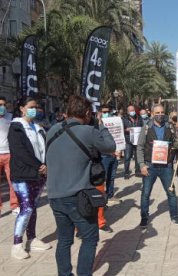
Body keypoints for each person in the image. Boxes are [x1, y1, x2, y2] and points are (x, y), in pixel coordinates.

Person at [46, 95, 116, 276]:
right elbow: (110, 146)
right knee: (90, 238)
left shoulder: (52, 130)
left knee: (64, 240)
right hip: (78, 197)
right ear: (87, 113)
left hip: (54, 195)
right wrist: (100, 124)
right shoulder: (88, 131)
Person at [8, 97, 51, 259]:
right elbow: (20, 151)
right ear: (22, 108)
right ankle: (17, 244)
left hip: (39, 174)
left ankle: (32, 238)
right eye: (31, 107)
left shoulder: (38, 127)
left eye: (37, 106)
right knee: (26, 208)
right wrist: (38, 165)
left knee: (32, 206)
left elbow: (45, 147)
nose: (35, 109)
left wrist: (46, 164)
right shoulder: (16, 127)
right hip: (22, 175)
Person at [137, 104, 178, 228]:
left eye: (162, 112)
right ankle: (144, 218)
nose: (160, 115)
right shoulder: (146, 127)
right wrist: (142, 165)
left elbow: (176, 143)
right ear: (152, 113)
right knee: (146, 194)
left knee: (171, 193)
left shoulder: (170, 126)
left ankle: (175, 216)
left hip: (166, 167)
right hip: (149, 166)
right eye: (157, 112)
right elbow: (140, 147)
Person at [0, 96, 19, 216]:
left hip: (9, 153)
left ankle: (15, 205)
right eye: (0, 105)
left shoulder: (11, 117)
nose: (2, 107)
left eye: (3, 105)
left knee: (13, 181)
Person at [99, 105, 121, 207]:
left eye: (107, 111)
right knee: (103, 179)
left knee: (111, 177)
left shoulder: (114, 123)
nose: (106, 113)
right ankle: (101, 200)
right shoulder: (97, 126)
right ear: (99, 113)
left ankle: (110, 196)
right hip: (104, 156)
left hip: (114, 154)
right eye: (104, 112)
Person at [122, 104, 142, 179]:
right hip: (128, 141)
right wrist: (126, 130)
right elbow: (121, 129)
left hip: (137, 141)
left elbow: (142, 127)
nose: (132, 112)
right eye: (130, 110)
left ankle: (137, 171)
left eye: (133, 110)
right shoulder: (124, 119)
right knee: (127, 157)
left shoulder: (139, 118)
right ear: (127, 112)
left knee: (137, 157)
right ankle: (126, 173)